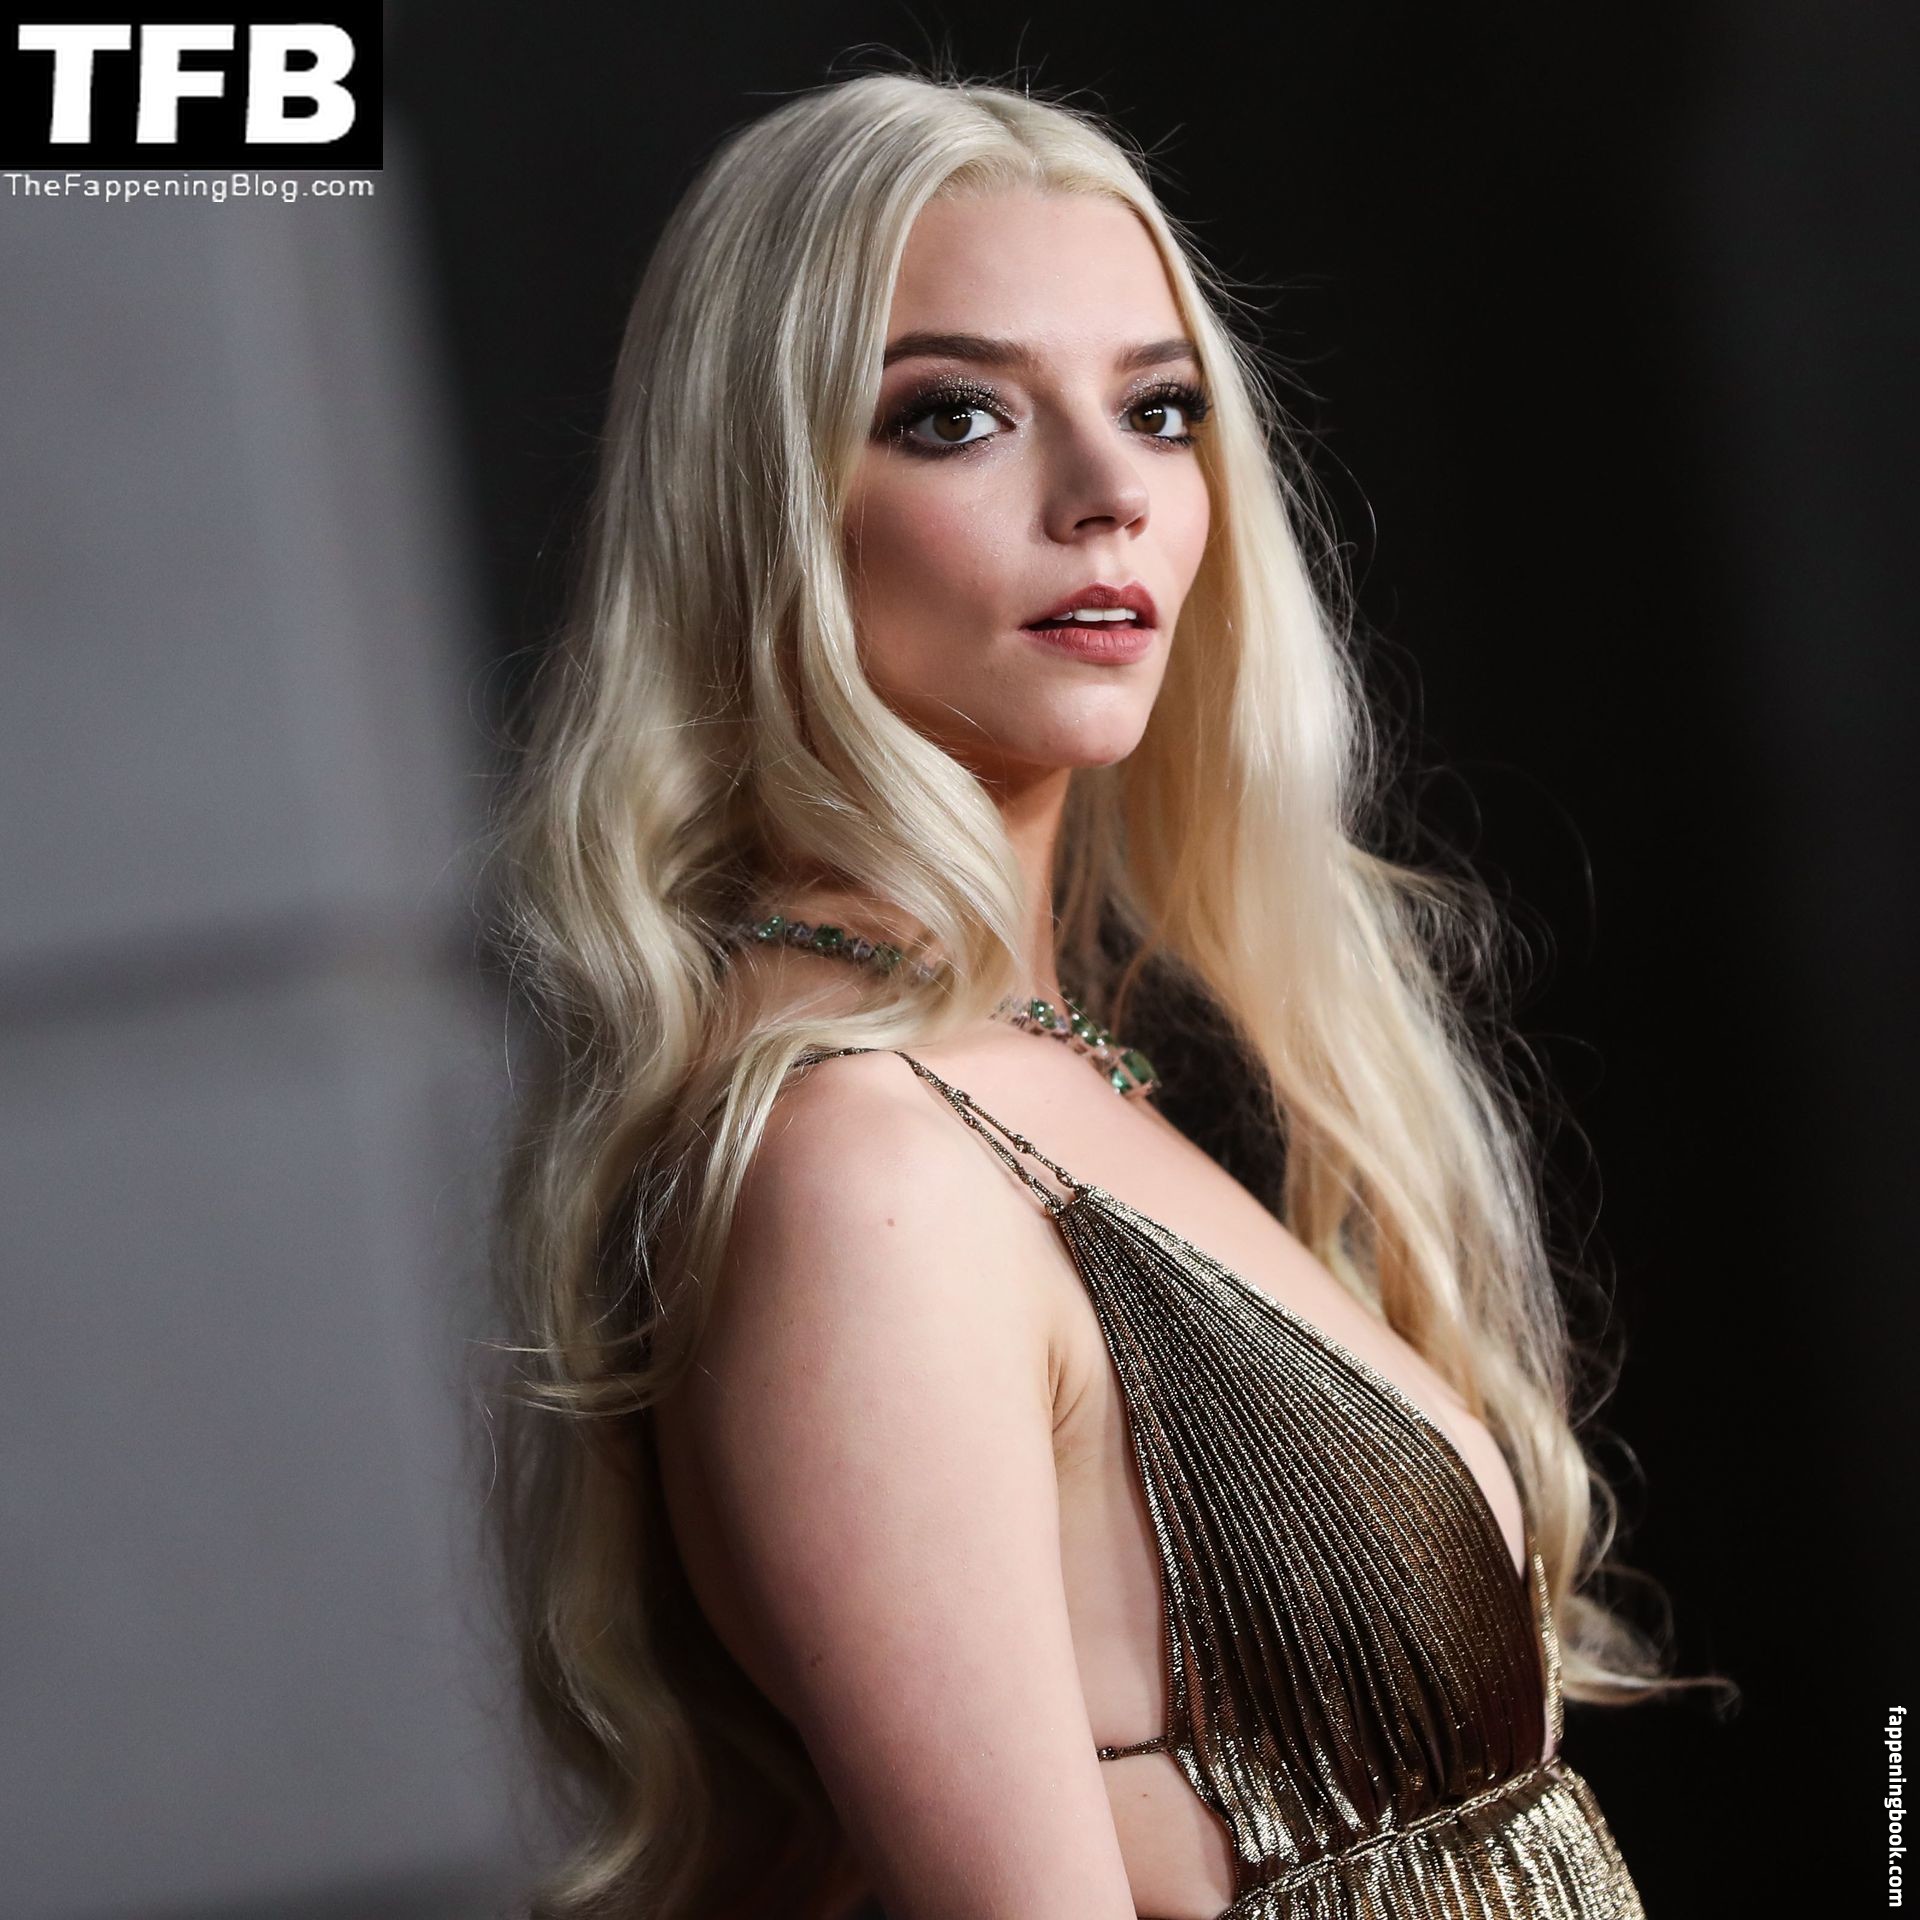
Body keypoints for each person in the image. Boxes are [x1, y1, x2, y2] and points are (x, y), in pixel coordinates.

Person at [486, 62, 1716, 1920]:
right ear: (761, 504)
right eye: (957, 415)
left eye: (1158, 410)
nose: (1107, 498)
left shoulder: (1020, 1066)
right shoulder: (865, 1170)